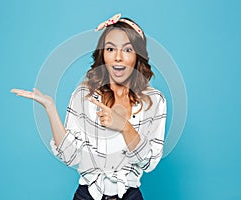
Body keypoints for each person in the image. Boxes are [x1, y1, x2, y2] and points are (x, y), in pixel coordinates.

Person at [11, 13, 167, 200]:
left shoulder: (154, 101)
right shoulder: (83, 96)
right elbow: (71, 157)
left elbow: (149, 163)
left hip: (130, 196)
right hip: (87, 195)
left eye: (127, 50)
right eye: (110, 49)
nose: (118, 57)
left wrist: (124, 127)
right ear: (103, 54)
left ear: (138, 55)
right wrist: (50, 109)